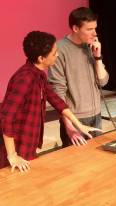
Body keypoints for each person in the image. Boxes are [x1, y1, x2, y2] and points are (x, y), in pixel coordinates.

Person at [0, 31, 101, 173]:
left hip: (28, 144)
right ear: (41, 58)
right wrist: (12, 155)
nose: (57, 55)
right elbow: (6, 117)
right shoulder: (25, 78)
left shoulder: (39, 75)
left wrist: (79, 125)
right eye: (54, 53)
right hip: (15, 147)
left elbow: (56, 100)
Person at [48, 7, 109, 147]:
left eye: (95, 28)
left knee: (97, 162)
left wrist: (98, 57)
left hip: (96, 114)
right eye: (89, 29)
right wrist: (69, 126)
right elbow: (58, 91)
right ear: (75, 28)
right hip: (75, 118)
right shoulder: (59, 49)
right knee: (76, 165)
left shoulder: (90, 47)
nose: (95, 33)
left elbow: (103, 81)